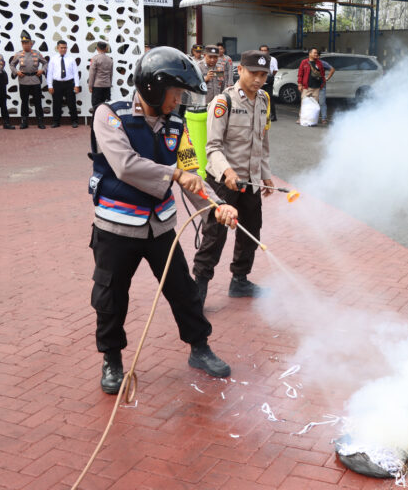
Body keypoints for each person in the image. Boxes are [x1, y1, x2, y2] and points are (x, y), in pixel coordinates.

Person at [89, 46, 239, 394]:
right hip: (117, 226)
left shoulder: (177, 122)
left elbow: (190, 173)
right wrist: (173, 175)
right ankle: (112, 359)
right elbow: (125, 165)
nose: (178, 100)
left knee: (183, 291)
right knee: (111, 296)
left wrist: (216, 206)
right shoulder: (110, 115)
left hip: (160, 228)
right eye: (176, 93)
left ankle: (199, 347)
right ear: (155, 87)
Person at [193, 50, 274, 300]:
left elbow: (262, 141)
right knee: (214, 237)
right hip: (222, 182)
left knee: (251, 231)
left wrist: (266, 174)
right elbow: (213, 147)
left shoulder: (263, 100)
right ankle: (199, 289)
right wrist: (227, 171)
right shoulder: (222, 102)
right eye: (253, 73)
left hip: (249, 182)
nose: (258, 79)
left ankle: (240, 281)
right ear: (240, 70)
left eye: (263, 75)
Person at [9, 31, 47, 129]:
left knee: (38, 101)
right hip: (23, 80)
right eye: (23, 43)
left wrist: (42, 70)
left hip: (35, 80)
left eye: (27, 43)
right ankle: (24, 121)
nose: (25, 45)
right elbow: (12, 64)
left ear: (31, 43)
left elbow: (45, 63)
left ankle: (40, 121)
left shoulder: (37, 53)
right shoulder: (18, 54)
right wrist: (16, 72)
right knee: (24, 101)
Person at [46, 40, 80, 128]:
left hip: (69, 84)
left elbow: (75, 73)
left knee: (71, 103)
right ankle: (56, 121)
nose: (63, 49)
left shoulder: (71, 59)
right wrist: (50, 85)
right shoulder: (53, 59)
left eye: (65, 48)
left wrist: (76, 85)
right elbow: (49, 73)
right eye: (61, 48)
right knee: (56, 103)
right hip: (57, 84)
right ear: (58, 48)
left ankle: (74, 121)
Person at [88, 41, 114, 110]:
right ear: (106, 49)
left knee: (96, 106)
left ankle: (96, 120)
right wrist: (110, 84)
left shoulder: (95, 59)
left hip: (97, 86)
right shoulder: (110, 59)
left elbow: (92, 73)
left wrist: (90, 86)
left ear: (97, 48)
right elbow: (111, 74)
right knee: (106, 107)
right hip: (107, 86)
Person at [259, 44, 278, 122]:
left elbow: (275, 70)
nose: (263, 52)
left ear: (268, 51)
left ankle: (273, 115)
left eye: (265, 50)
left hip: (268, 79)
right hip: (259, 79)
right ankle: (260, 114)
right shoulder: (258, 58)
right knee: (259, 97)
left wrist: (270, 77)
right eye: (262, 50)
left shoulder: (272, 59)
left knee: (269, 97)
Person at [315, 50, 334, 125]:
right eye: (314, 54)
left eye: (317, 55)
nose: (315, 56)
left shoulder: (322, 63)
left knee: (322, 102)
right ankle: (311, 117)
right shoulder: (307, 62)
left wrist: (327, 78)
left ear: (319, 56)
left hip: (321, 86)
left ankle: (323, 118)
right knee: (310, 102)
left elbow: (332, 69)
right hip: (311, 86)